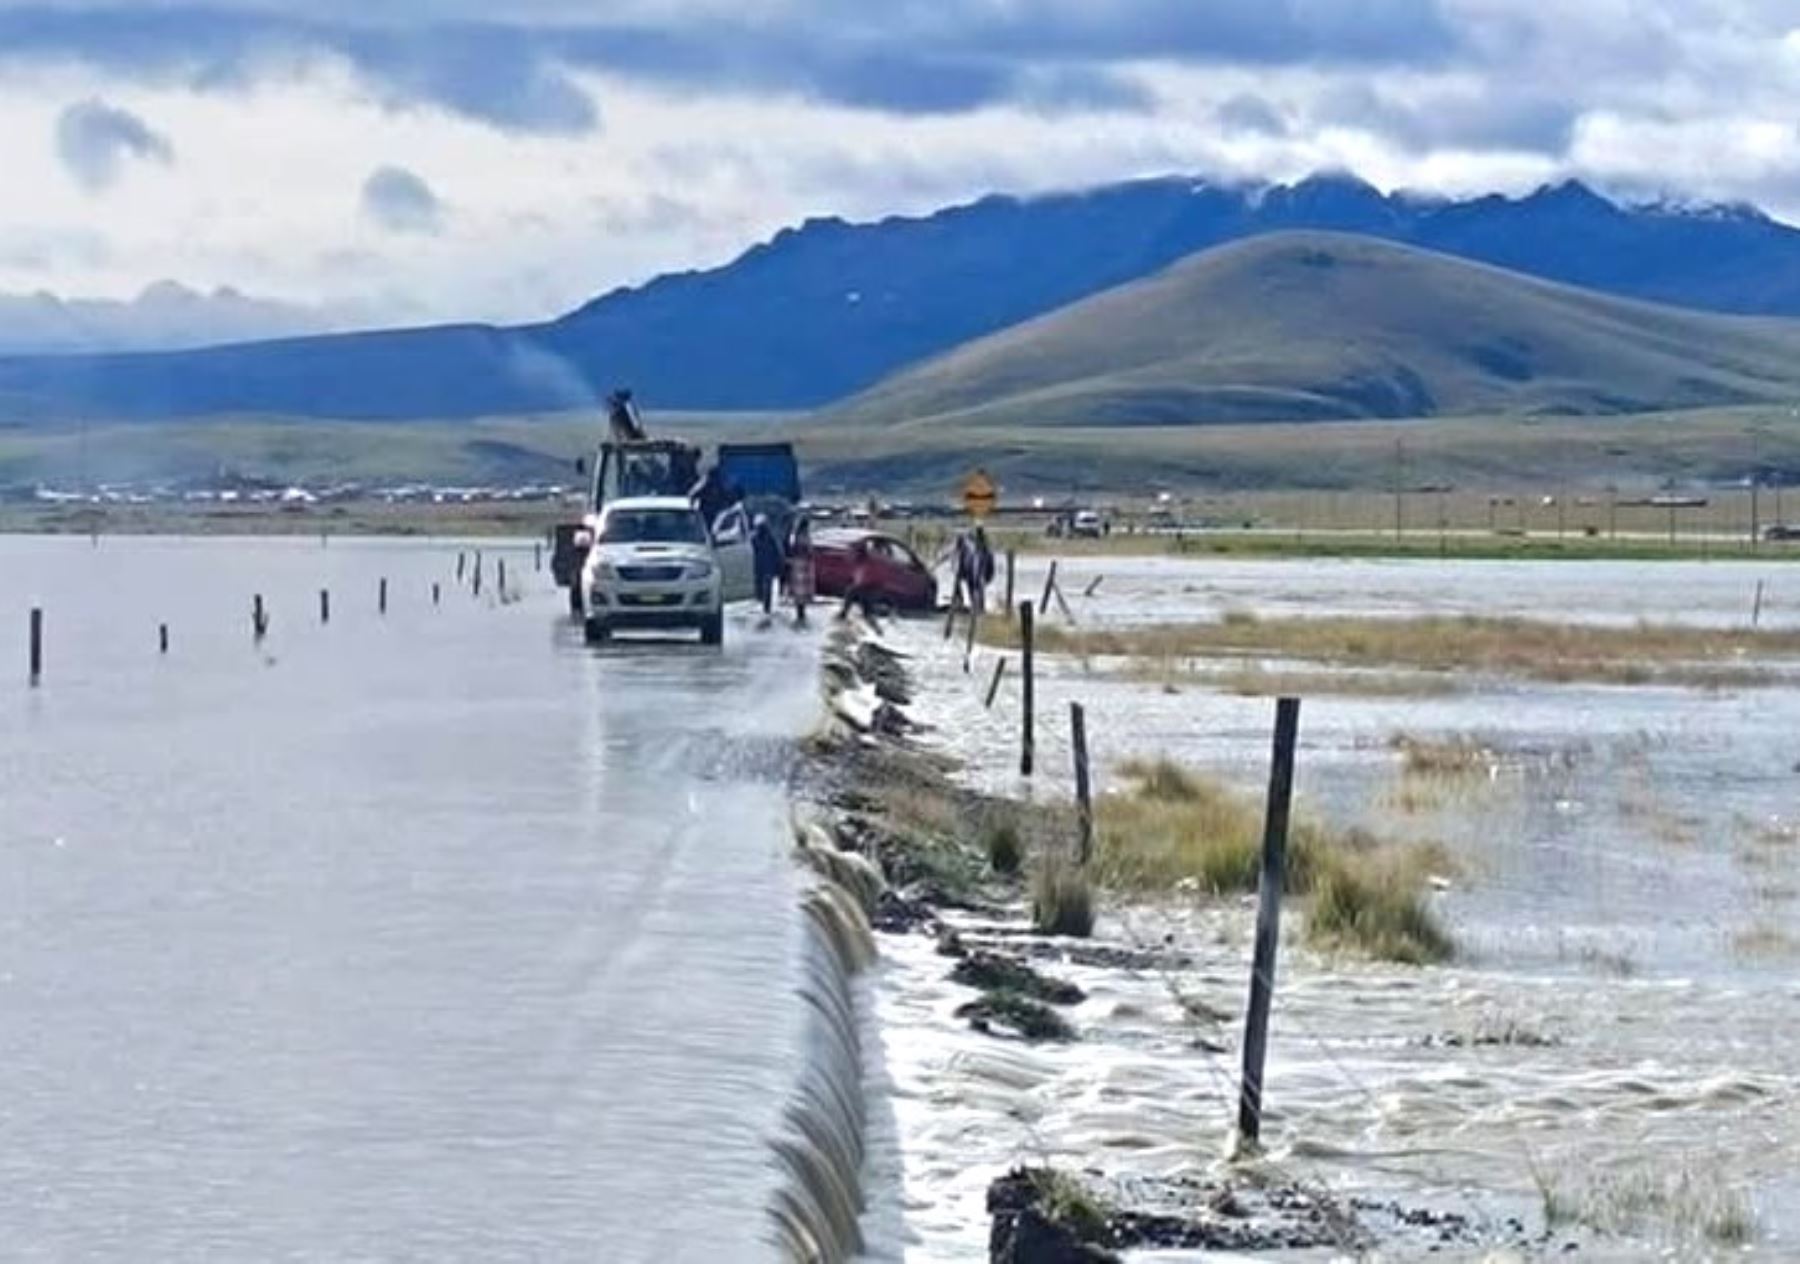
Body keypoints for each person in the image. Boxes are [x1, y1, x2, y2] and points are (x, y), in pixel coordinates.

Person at [751, 513, 785, 616]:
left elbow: (777, 552)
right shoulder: (757, 538)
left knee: (766, 586)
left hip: (766, 565)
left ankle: (766, 606)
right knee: (763, 586)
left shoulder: (766, 538)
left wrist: (779, 563)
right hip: (762, 565)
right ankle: (764, 605)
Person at [786, 515, 815, 626]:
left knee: (799, 591)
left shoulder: (797, 536)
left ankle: (800, 612)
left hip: (798, 564)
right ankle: (801, 613)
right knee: (801, 590)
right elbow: (807, 551)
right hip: (803, 565)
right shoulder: (803, 537)